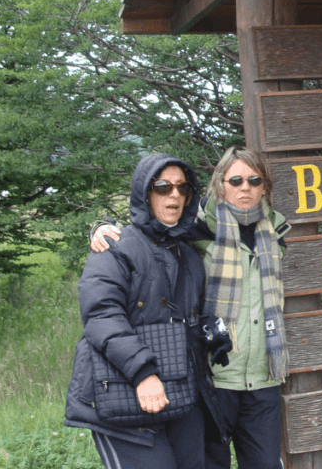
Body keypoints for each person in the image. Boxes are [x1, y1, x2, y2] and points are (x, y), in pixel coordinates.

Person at [91, 147, 292, 469]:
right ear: (220, 184)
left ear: (265, 185)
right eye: (236, 179)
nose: (245, 187)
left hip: (263, 373)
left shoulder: (278, 233)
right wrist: (102, 228)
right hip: (214, 376)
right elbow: (148, 231)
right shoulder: (197, 229)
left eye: (254, 180)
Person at [65, 153, 217, 469]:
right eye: (163, 187)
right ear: (144, 192)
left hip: (182, 388)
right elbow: (101, 315)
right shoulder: (114, 246)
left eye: (182, 188)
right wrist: (143, 374)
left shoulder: (190, 256)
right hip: (122, 389)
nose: (174, 194)